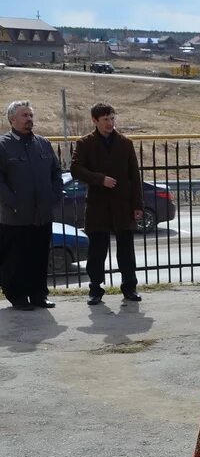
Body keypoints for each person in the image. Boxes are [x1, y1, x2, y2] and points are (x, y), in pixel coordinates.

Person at [70, 103, 144, 306]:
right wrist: (99, 179)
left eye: (112, 118)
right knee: (97, 251)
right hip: (98, 206)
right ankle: (95, 289)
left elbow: (134, 176)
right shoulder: (85, 143)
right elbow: (76, 168)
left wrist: (137, 205)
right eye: (105, 120)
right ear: (95, 121)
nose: (110, 123)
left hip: (123, 205)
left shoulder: (125, 143)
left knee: (126, 250)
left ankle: (130, 287)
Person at [0, 100, 62, 310]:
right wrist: (14, 203)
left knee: (39, 255)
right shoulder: (3, 145)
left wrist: (54, 195)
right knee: (16, 258)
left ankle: (38, 294)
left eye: (30, 115)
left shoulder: (42, 143)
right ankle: (17, 296)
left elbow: (56, 171)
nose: (29, 119)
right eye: (24, 115)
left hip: (42, 213)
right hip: (15, 216)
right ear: (12, 119)